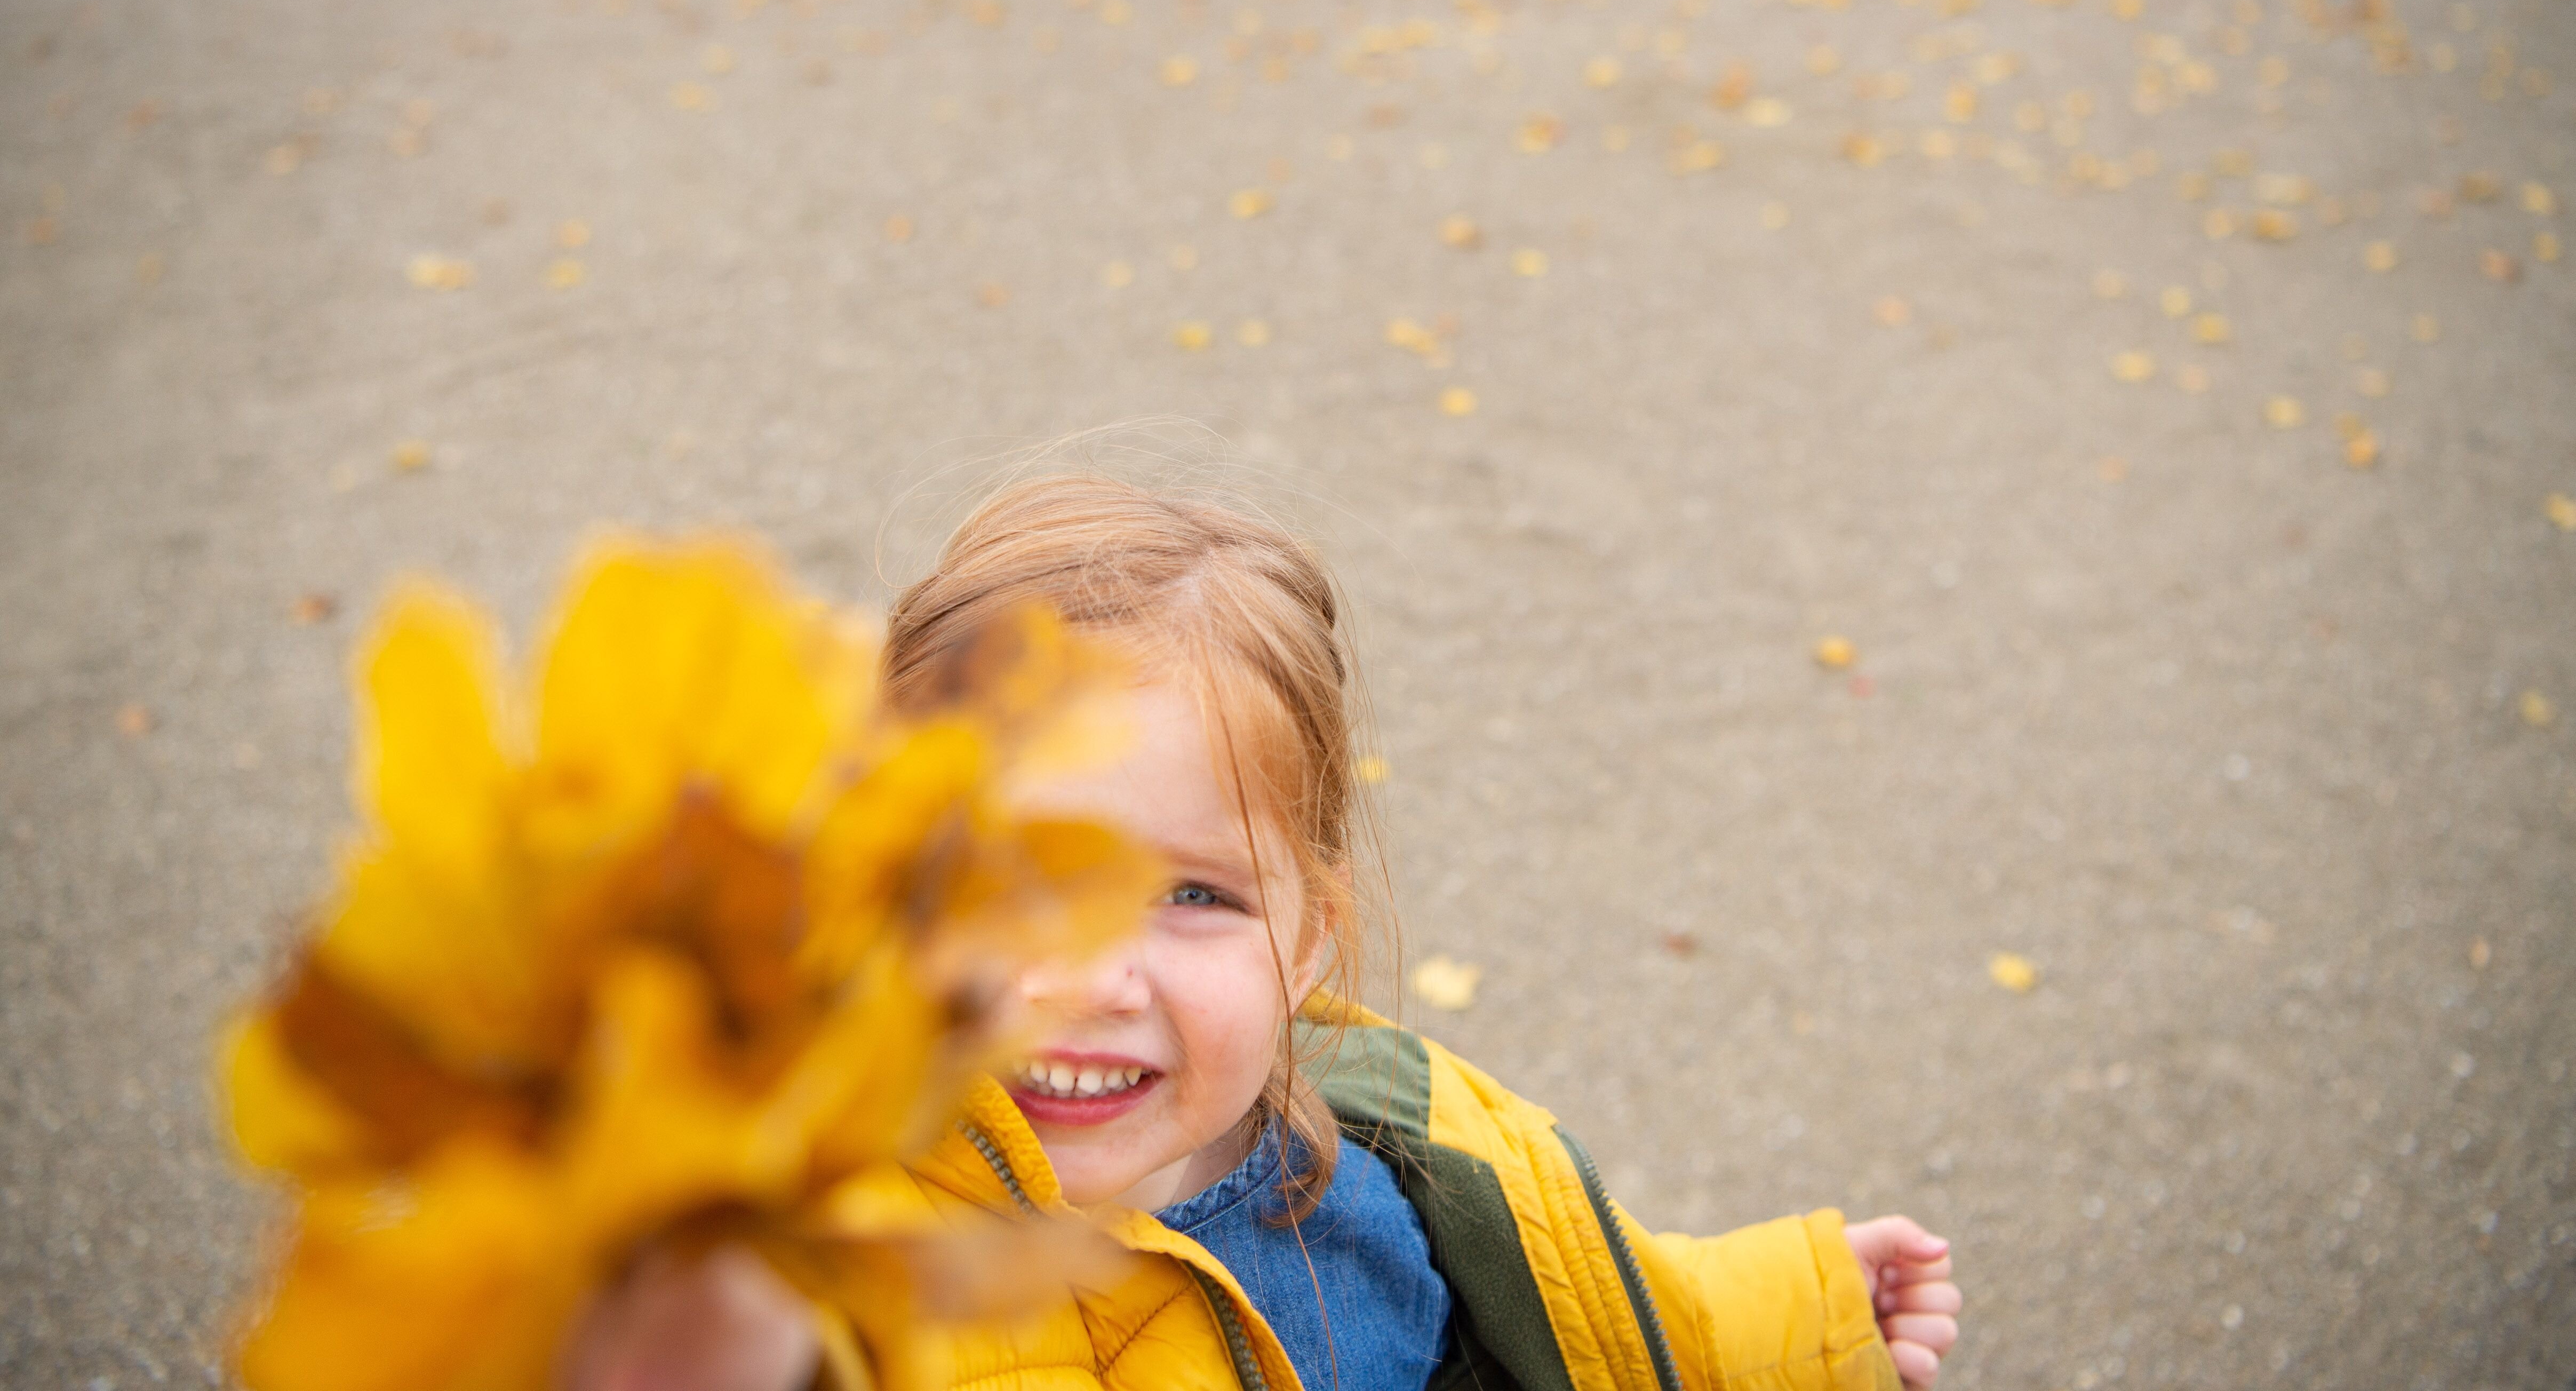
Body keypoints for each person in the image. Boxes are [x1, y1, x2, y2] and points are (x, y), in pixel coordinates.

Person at [575, 475, 1962, 1391]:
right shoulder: (812, 1254)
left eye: (1195, 897)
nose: (1088, 980)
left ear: (1309, 940)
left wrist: (1789, 1317)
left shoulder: (1410, 1175)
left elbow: (1574, 1325)